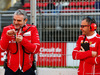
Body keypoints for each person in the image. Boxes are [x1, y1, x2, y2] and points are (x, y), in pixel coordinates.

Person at [0, 9, 40, 75]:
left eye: (19, 20)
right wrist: (7, 36)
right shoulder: (7, 29)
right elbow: (2, 49)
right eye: (14, 20)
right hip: (11, 69)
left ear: (25, 21)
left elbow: (36, 49)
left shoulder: (32, 29)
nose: (15, 22)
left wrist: (23, 41)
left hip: (27, 69)